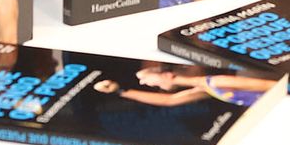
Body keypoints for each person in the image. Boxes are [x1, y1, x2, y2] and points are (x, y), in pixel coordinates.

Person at [93, 64, 278, 107]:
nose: (144, 83)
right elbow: (170, 100)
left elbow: (276, 87)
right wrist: (121, 91)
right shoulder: (207, 86)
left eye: (146, 79)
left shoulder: (215, 82)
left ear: (167, 74)